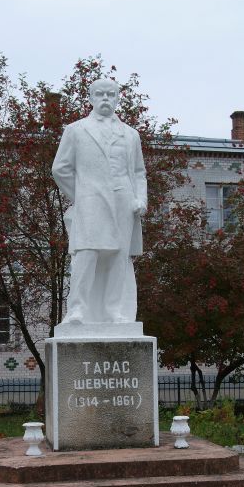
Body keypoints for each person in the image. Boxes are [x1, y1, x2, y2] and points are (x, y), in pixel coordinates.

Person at [52, 78, 147, 324]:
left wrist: (140, 198)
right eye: (100, 94)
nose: (105, 99)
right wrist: (81, 195)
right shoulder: (76, 130)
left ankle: (114, 311)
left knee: (118, 257)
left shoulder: (131, 135)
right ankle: (77, 310)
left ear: (117, 99)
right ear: (91, 98)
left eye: (110, 94)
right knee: (87, 253)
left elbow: (138, 172)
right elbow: (60, 168)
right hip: (91, 201)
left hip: (123, 202)